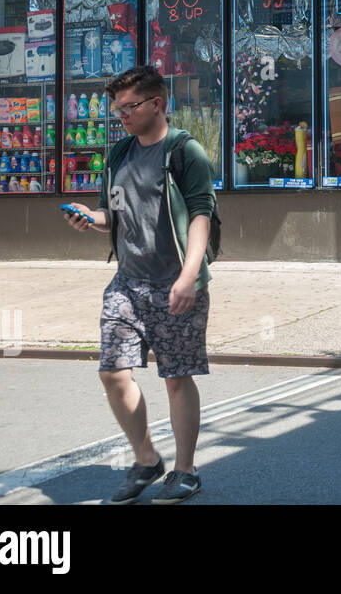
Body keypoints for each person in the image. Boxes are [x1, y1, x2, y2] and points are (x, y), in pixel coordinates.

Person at [61, 65, 216, 504]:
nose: (121, 115)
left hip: (175, 281)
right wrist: (91, 220)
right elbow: (117, 215)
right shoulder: (118, 154)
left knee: (176, 377)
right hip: (127, 281)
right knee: (112, 371)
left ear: (157, 104)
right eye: (118, 109)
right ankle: (147, 458)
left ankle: (185, 471)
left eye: (129, 107)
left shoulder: (185, 151)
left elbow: (202, 214)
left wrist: (189, 276)